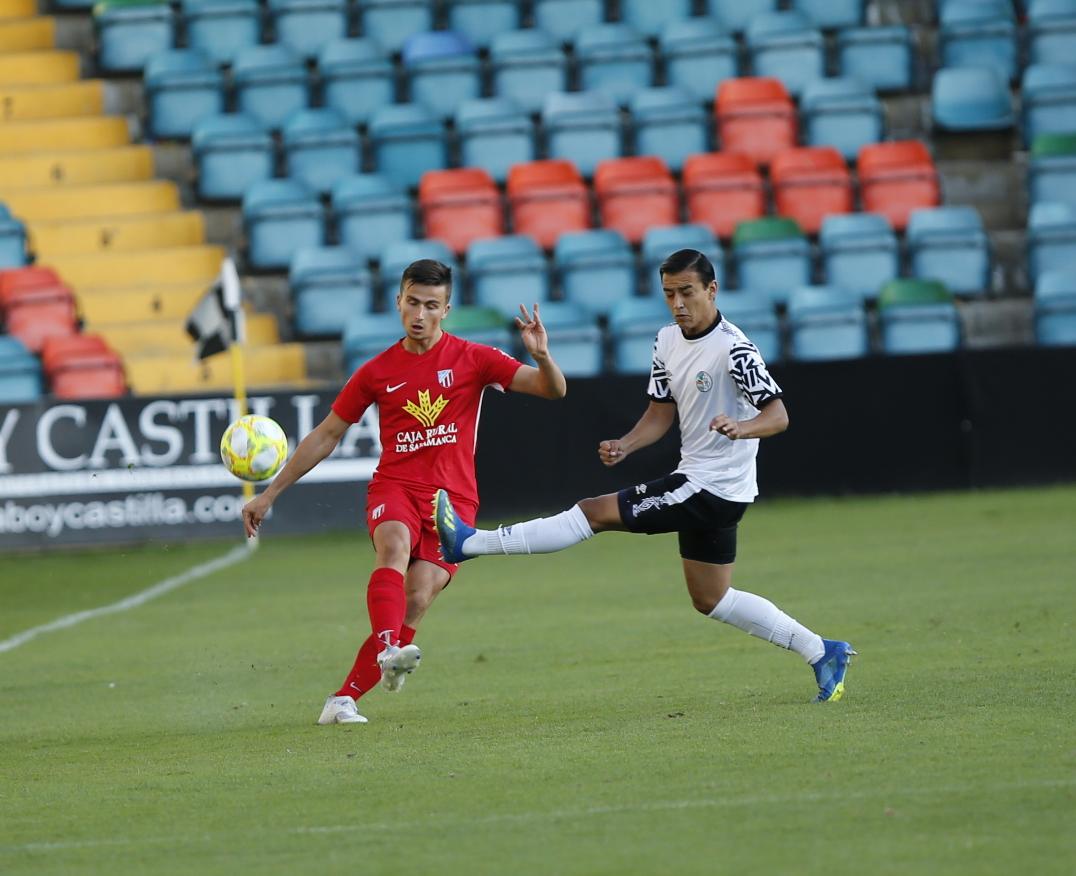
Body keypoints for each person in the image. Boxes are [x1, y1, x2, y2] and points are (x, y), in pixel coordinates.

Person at [435, 248, 856, 703]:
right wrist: (627, 444)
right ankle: (821, 651)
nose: (677, 303)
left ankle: (470, 544)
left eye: (687, 292)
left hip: (711, 486)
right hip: (709, 485)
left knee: (593, 513)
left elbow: (778, 415)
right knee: (710, 598)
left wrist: (743, 427)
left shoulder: (735, 349)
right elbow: (659, 414)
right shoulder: (666, 340)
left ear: (712, 290)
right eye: (669, 293)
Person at [243, 259, 567, 724]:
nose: (419, 314)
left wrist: (541, 356)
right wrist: (269, 494)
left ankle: (341, 699)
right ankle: (388, 650)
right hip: (394, 486)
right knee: (392, 548)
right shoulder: (376, 371)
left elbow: (552, 391)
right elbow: (327, 434)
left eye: (431, 306)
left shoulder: (475, 359)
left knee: (418, 596)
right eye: (412, 302)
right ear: (398, 302)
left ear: (446, 309)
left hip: (453, 502)